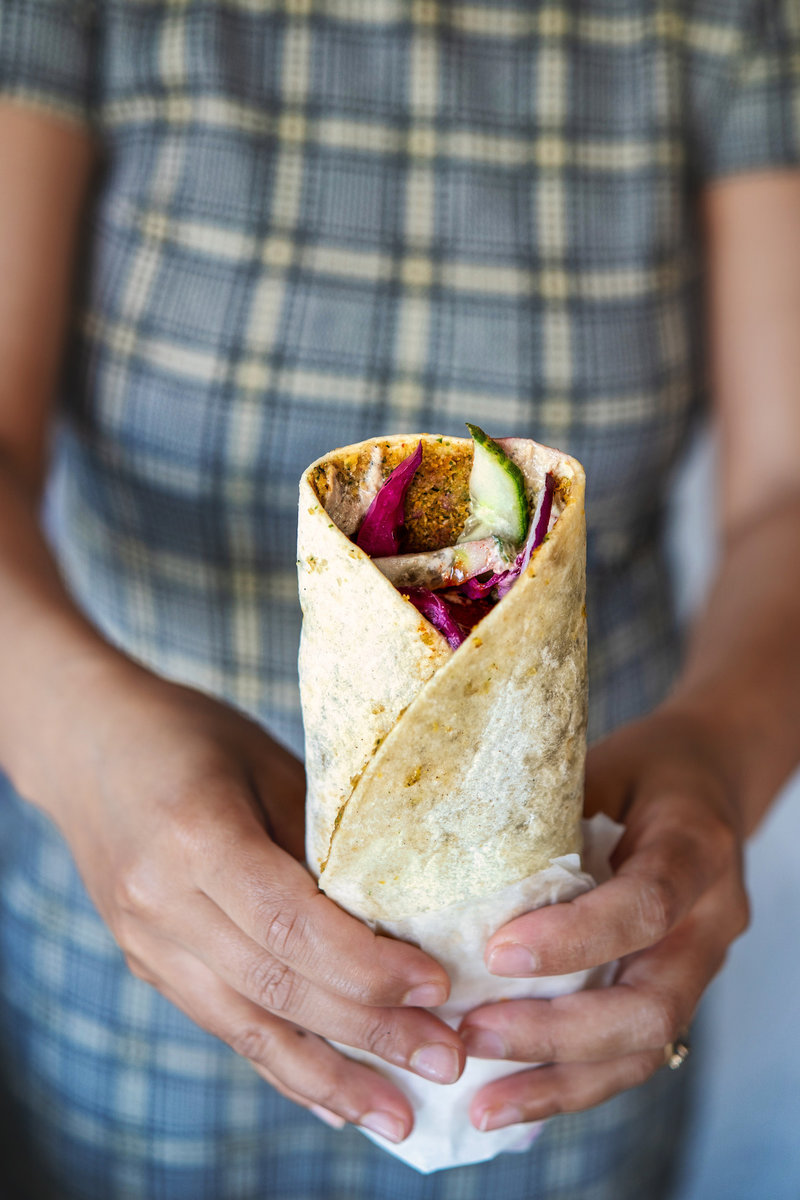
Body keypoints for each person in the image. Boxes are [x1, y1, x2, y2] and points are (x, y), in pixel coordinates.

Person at [0, 1, 798, 1197]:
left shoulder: (721, 22)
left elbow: (784, 494)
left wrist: (718, 753)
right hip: (136, 937)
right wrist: (77, 746)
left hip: (573, 984)